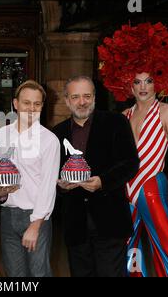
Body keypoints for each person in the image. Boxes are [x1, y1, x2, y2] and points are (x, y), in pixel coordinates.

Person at [98, 22, 168, 277]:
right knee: (127, 247)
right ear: (128, 85)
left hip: (151, 185)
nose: (143, 86)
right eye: (137, 81)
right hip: (126, 188)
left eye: (149, 80)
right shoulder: (123, 116)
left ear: (159, 82)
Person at [52, 76, 140, 277]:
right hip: (75, 224)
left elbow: (130, 163)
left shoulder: (116, 122)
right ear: (67, 100)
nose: (82, 101)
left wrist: (103, 182)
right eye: (75, 97)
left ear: (94, 97)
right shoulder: (57, 133)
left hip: (110, 220)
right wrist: (61, 186)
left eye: (86, 96)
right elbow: (51, 174)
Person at [0, 80, 60, 277]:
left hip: (35, 216)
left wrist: (35, 224)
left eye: (37, 104)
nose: (31, 108)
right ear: (15, 104)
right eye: (26, 103)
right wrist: (0, 194)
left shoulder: (49, 140)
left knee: (39, 274)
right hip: (7, 216)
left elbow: (48, 186)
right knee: (14, 276)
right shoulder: (2, 134)